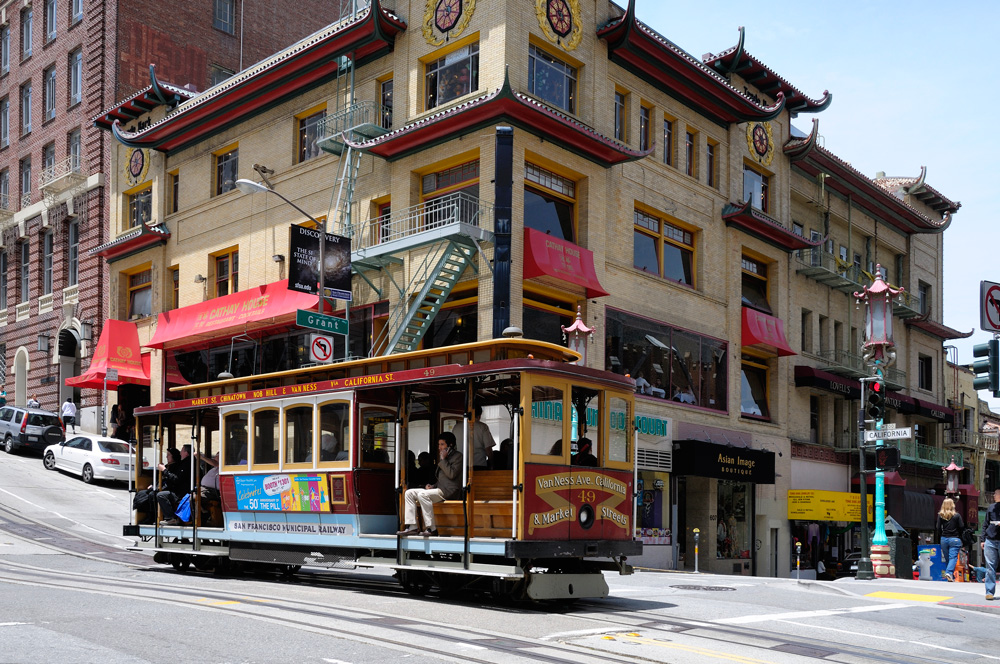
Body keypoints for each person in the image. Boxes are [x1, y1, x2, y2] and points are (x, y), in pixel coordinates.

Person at [397, 432, 462, 537]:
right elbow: (442, 479)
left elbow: (451, 475)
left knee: (423, 495)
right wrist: (433, 486)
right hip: (440, 489)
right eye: (439, 444)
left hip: (450, 491)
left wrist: (444, 460)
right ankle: (412, 526)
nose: (439, 447)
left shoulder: (458, 456)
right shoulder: (443, 457)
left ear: (450, 445)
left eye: (442, 444)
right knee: (409, 493)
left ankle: (432, 529)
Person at [156, 446, 192, 525]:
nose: (180, 453)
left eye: (182, 451)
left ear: (186, 453)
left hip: (182, 493)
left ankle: (171, 518)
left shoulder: (187, 464)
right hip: (179, 490)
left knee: (161, 495)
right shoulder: (184, 463)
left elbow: (176, 479)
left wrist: (164, 470)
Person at [452, 404, 495, 470]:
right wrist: (491, 465)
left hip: (460, 465)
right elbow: (488, 448)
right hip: (479, 465)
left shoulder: (456, 427)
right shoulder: (482, 427)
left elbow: (453, 448)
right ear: (479, 416)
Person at [936, 497, 965, 582]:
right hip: (955, 539)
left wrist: (942, 535)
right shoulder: (957, 515)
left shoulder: (940, 515)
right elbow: (961, 527)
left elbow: (938, 527)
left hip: (944, 539)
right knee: (953, 558)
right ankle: (949, 572)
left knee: (947, 557)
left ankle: (950, 574)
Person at [981, 488, 1000, 601]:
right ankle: (989, 592)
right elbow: (985, 524)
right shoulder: (991, 508)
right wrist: (983, 539)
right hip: (990, 540)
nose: (994, 495)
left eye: (996, 493)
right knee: (990, 567)